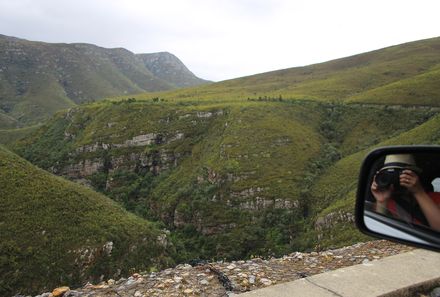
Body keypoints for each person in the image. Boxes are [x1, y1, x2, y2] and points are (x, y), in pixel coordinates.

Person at [370, 154, 440, 232]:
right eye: (390, 175)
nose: (395, 179)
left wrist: (419, 192)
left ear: (415, 175)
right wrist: (381, 201)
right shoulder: (385, 204)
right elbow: (380, 235)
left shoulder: (436, 198)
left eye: (401, 174)